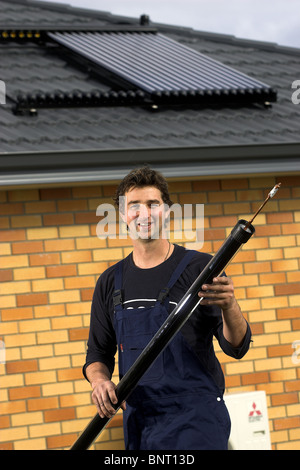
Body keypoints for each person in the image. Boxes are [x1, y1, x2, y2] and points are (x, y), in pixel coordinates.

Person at [83, 165, 252, 450]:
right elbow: (97, 354)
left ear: (168, 212)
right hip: (141, 425)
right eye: (134, 205)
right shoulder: (110, 282)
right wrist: (99, 382)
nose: (144, 213)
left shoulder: (201, 269)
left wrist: (229, 306)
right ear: (123, 215)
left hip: (196, 422)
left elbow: (236, 346)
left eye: (153, 204)